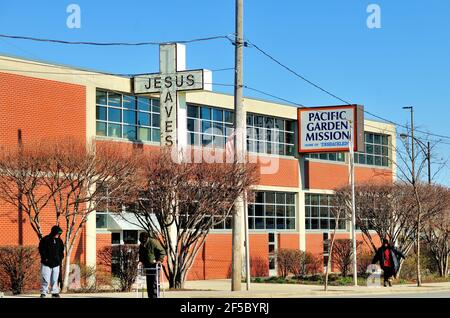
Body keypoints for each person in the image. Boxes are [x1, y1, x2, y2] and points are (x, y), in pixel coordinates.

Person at [38, 225, 65, 298]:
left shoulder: (59, 241)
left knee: (55, 279)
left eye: (59, 234)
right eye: (57, 233)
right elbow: (41, 249)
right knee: (45, 279)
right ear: (53, 232)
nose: (58, 235)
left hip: (56, 263)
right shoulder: (45, 239)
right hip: (46, 263)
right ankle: (44, 292)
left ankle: (55, 292)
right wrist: (45, 259)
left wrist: (60, 258)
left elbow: (61, 251)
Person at [138, 232, 166, 298]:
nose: (142, 241)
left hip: (155, 265)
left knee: (154, 282)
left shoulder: (153, 242)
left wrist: (159, 260)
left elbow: (162, 251)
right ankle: (150, 296)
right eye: (141, 239)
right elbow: (141, 254)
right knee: (149, 283)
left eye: (143, 239)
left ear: (146, 238)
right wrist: (141, 261)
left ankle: (155, 296)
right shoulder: (142, 244)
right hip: (148, 265)